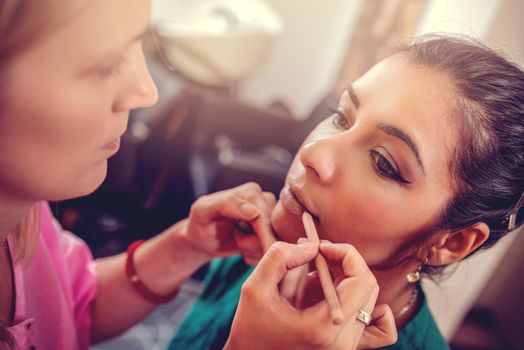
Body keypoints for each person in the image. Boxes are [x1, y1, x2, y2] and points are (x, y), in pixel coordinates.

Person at [0, 0, 398, 349]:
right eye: (107, 63)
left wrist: (187, 245)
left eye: (384, 162)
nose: (147, 91)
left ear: (455, 242)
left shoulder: (26, 220)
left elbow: (68, 309)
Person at [169, 34, 524, 350]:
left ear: (451, 242)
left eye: (384, 163)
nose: (313, 153)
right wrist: (184, 245)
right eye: (341, 117)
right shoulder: (255, 253)